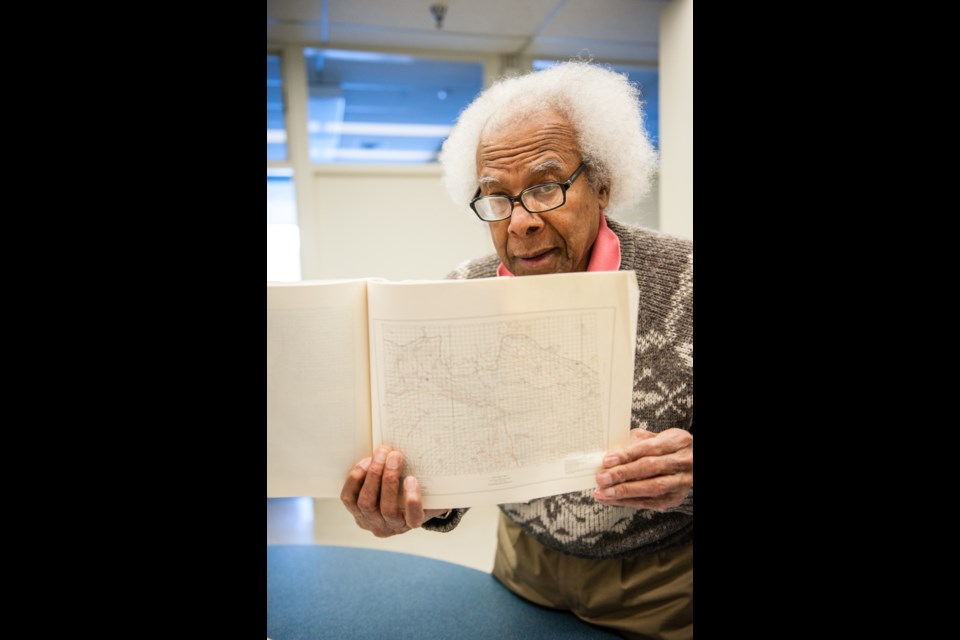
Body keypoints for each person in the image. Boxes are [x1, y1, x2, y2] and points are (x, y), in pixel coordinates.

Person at [340, 60, 693, 640]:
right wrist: (415, 501)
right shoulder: (463, 291)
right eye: (497, 197)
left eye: (545, 186)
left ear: (602, 183)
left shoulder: (683, 279)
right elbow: (454, 456)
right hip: (523, 570)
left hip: (660, 584)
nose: (521, 222)